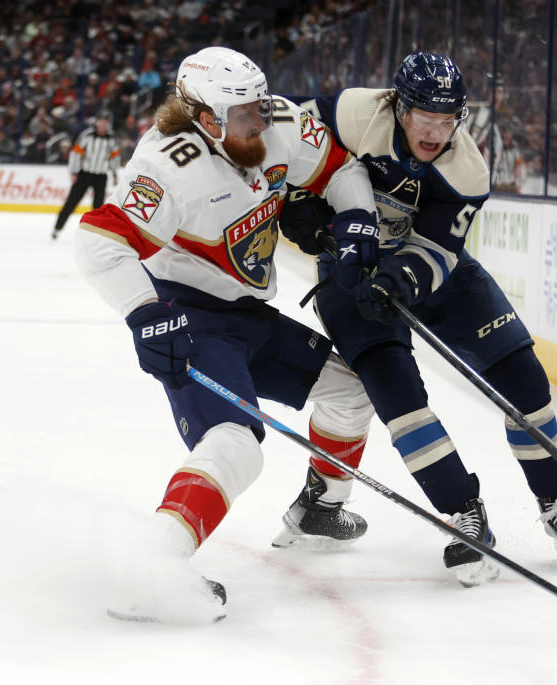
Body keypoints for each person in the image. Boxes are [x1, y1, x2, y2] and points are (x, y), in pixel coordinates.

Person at [75, 46, 380, 622]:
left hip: (250, 315)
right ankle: (154, 564)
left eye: (259, 108)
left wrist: (356, 215)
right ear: (203, 118)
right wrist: (144, 313)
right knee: (238, 441)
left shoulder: (278, 123)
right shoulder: (167, 165)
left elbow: (339, 170)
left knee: (350, 390)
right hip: (192, 317)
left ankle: (320, 507)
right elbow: (98, 243)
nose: (259, 123)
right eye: (243, 116)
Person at [274, 52, 557, 587]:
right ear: (399, 107)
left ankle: (555, 501)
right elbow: (284, 139)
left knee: (525, 379)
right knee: (396, 394)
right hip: (349, 271)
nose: (434, 132)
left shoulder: (467, 169)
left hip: (428, 267)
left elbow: (438, 250)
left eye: (447, 120)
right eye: (424, 117)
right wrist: (293, 201)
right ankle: (462, 511)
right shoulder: (356, 112)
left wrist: (399, 278)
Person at [52, 112, 121, 240]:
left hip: (101, 175)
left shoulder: (111, 138)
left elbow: (114, 157)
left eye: (105, 121)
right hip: (85, 174)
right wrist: (73, 171)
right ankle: (57, 228)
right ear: (96, 122)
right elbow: (76, 154)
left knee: (98, 207)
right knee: (72, 202)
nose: (102, 124)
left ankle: (96, 234)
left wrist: (115, 173)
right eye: (100, 120)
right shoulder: (87, 135)